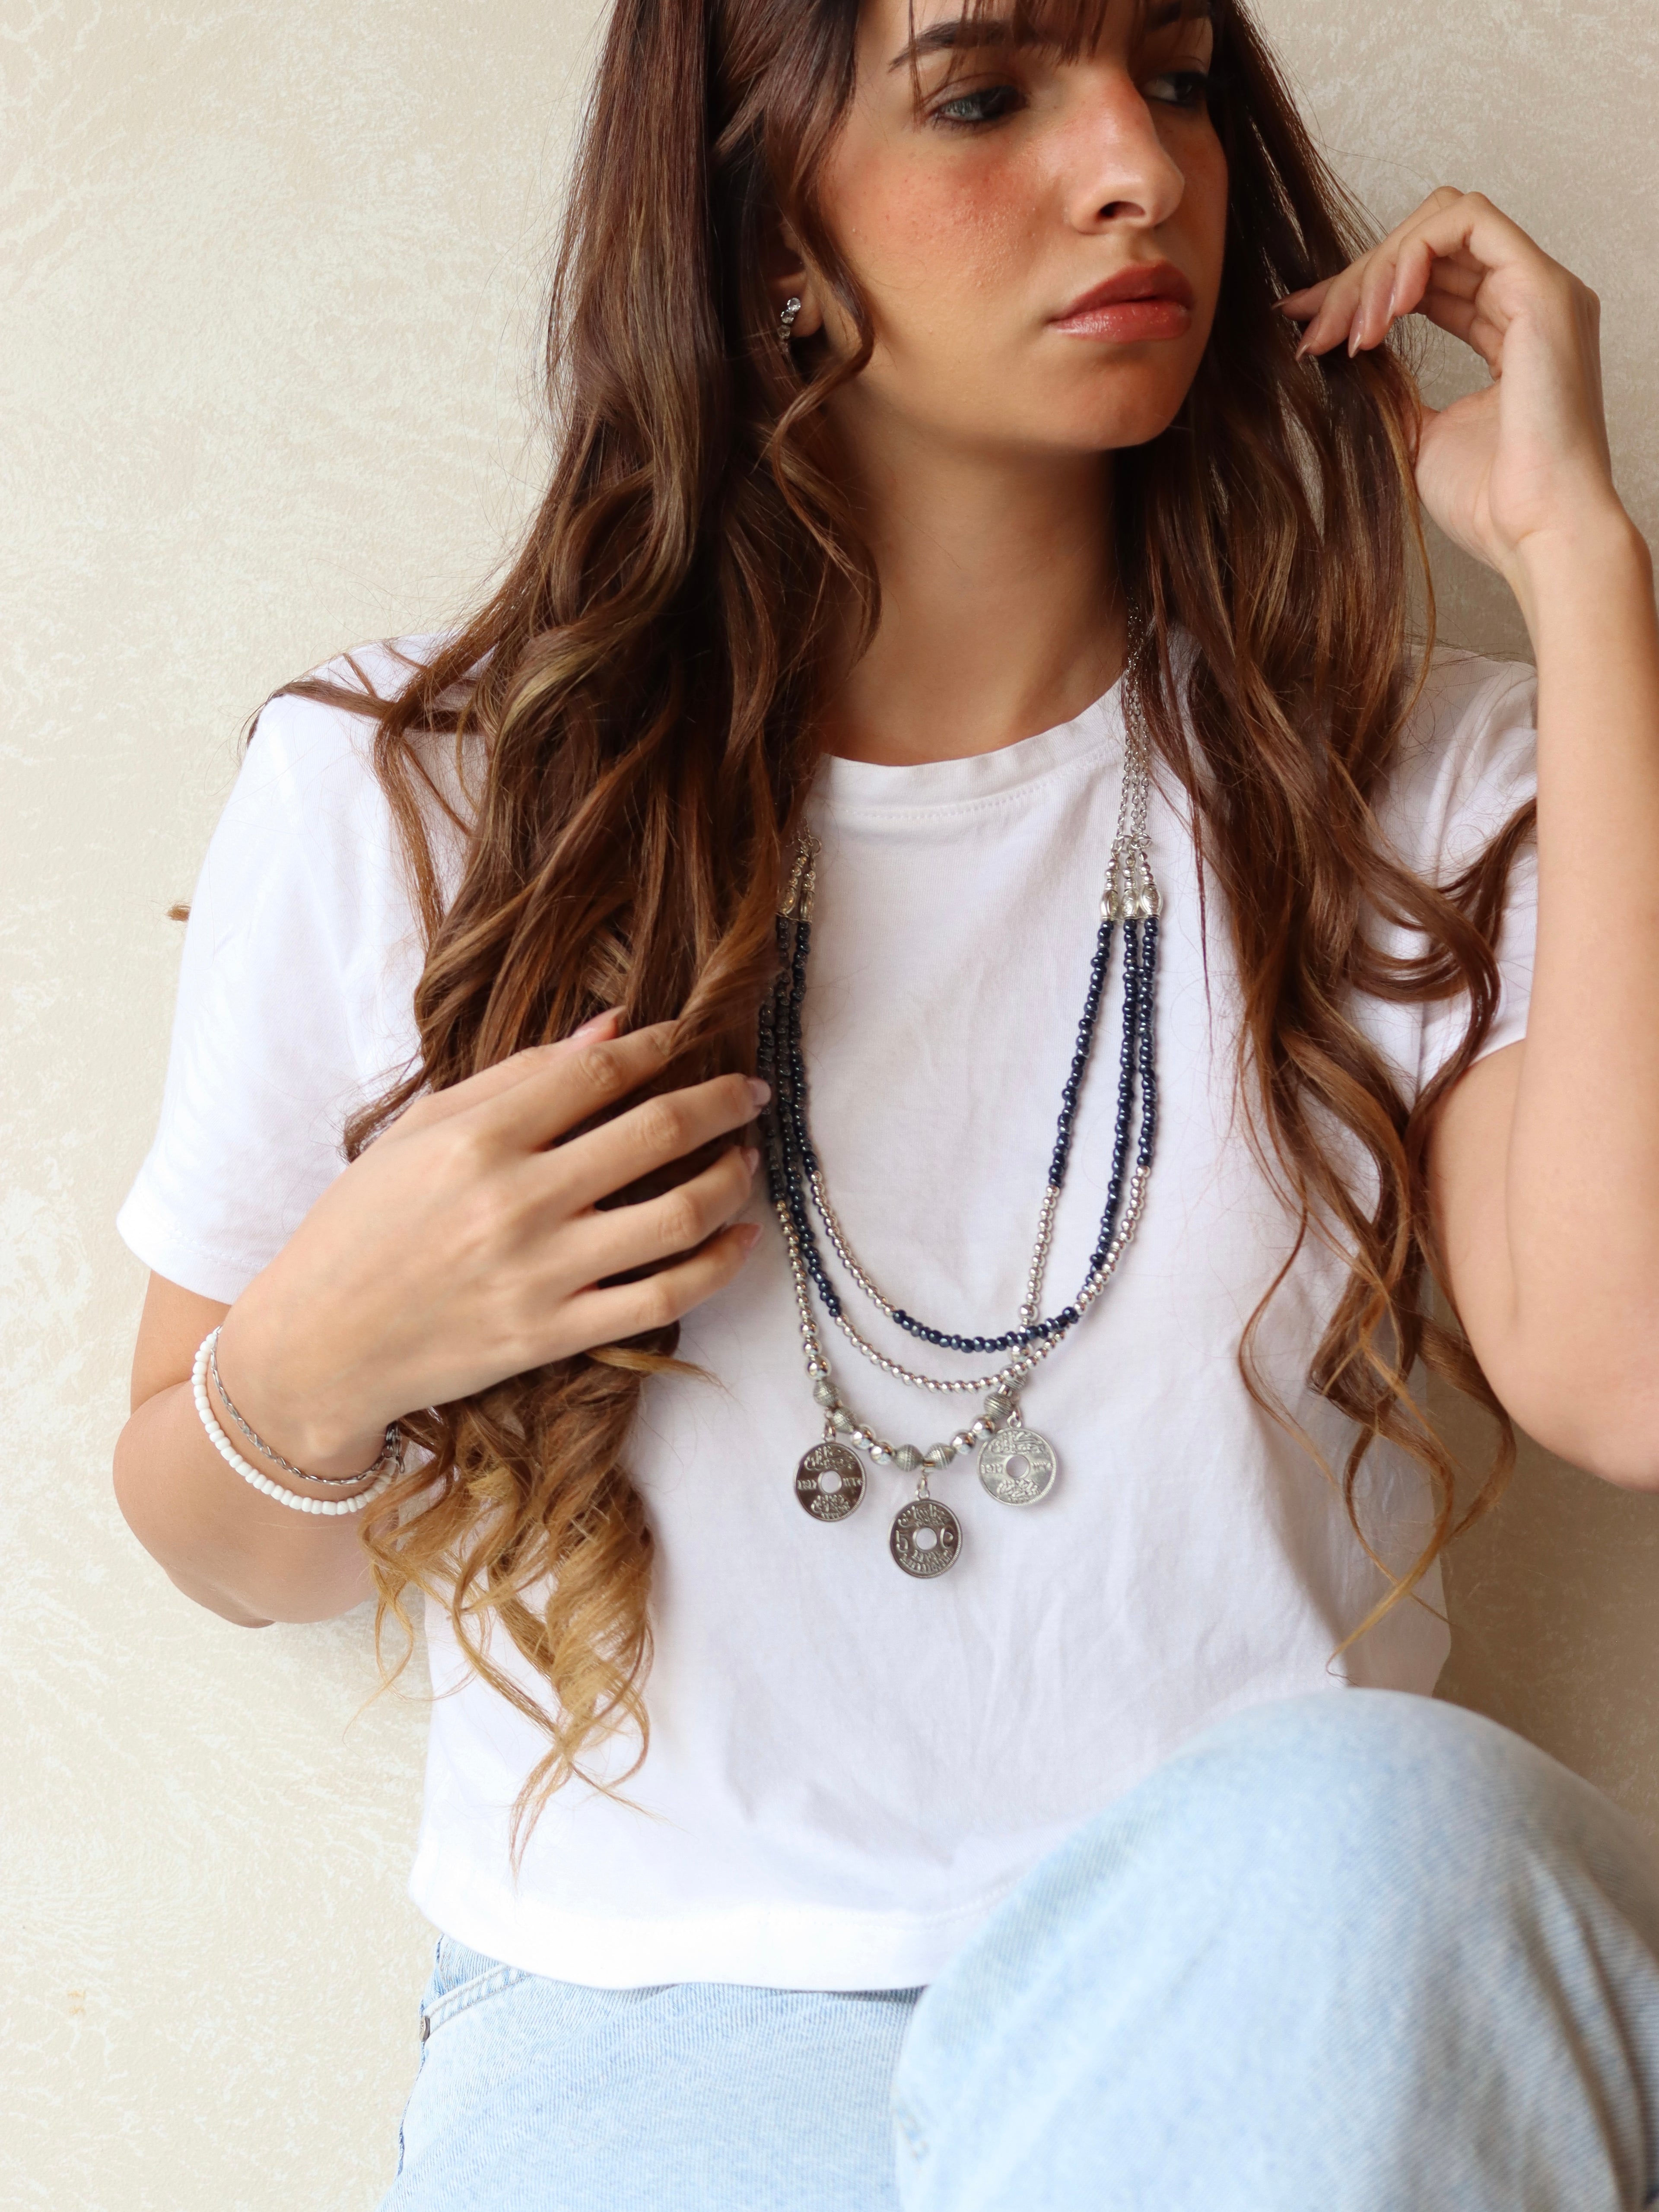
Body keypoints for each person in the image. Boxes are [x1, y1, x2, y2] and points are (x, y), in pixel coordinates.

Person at [111, 0, 1659, 2203]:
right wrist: (324, 1349)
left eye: (1178, 79)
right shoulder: (415, 796)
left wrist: (1583, 564)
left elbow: (1628, 1371)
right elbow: (236, 1549)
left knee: (1397, 1828)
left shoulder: (1406, 781)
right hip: (657, 2037)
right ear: (766, 226)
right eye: (990, 96)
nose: (1141, 170)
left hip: (1265, 2007)